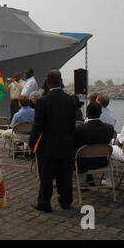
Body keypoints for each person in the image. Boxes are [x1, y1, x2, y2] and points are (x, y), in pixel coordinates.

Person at [29, 69, 76, 212]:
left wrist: (32, 144)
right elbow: (72, 124)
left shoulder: (43, 101)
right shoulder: (70, 100)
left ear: (48, 82)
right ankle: (66, 201)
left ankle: (45, 203)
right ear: (60, 81)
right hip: (66, 144)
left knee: (46, 177)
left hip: (47, 145)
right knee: (65, 175)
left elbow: (38, 126)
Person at [74, 102, 114, 183]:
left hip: (82, 164)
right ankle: (89, 179)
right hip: (102, 163)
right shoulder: (109, 129)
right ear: (100, 113)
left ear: (87, 113)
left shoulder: (79, 129)